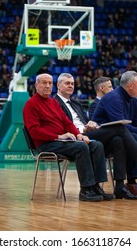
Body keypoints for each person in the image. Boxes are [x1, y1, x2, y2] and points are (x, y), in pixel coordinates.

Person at [54, 73, 137, 199]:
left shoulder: (76, 103)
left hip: (91, 132)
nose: (71, 86)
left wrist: (90, 124)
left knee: (119, 140)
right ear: (58, 85)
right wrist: (80, 131)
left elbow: (86, 121)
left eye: (72, 83)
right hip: (78, 136)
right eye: (67, 83)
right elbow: (62, 125)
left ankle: (120, 186)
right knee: (120, 127)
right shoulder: (54, 103)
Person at [23, 73, 115, 202]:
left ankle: (96, 187)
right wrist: (59, 136)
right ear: (36, 85)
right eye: (44, 83)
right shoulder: (30, 105)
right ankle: (85, 189)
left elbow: (67, 122)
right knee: (81, 147)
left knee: (96, 145)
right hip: (46, 143)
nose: (48, 86)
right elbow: (34, 132)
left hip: (62, 141)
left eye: (50, 83)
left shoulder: (53, 103)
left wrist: (79, 135)